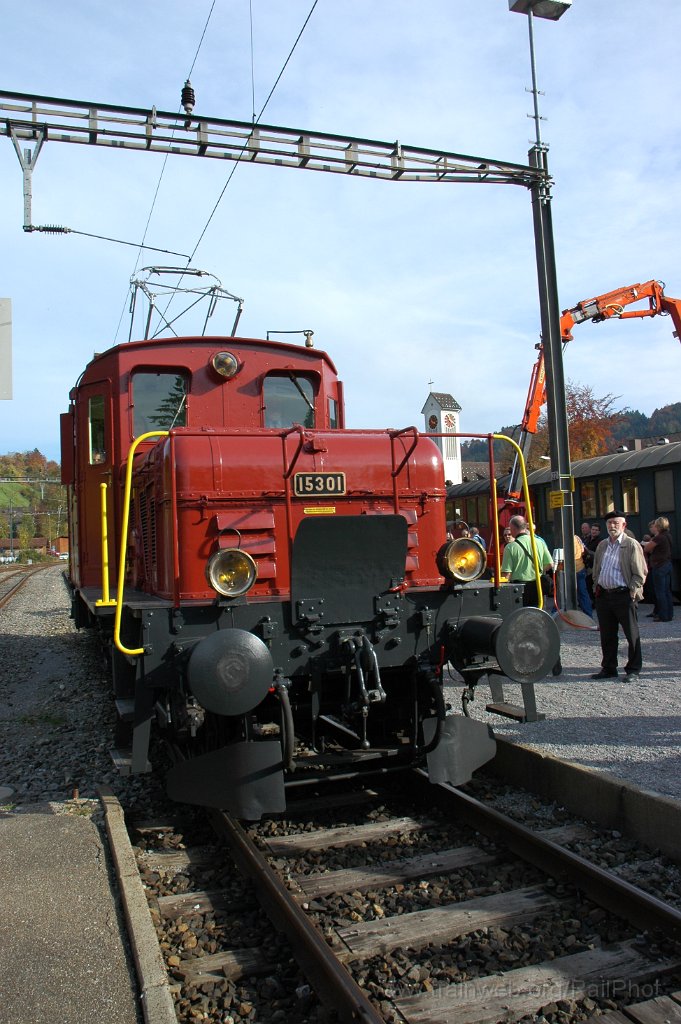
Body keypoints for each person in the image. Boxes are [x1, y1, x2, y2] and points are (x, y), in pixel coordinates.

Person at [501, 514, 561, 674]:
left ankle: (525, 663)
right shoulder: (539, 543)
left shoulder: (511, 547)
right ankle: (555, 661)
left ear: (513, 529)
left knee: (520, 627)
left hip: (519, 590)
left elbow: (506, 574)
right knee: (542, 623)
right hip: (538, 588)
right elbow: (549, 565)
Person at [591, 510, 647, 679]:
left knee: (631, 634)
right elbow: (596, 570)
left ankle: (633, 669)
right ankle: (609, 668)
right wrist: (596, 586)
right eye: (609, 523)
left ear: (624, 525)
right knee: (607, 635)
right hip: (604, 596)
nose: (612, 526)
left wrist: (633, 590)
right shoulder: (602, 545)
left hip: (623, 595)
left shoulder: (631, 544)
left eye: (616, 523)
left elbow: (640, 572)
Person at [643, 516, 674, 622]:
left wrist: (645, 543)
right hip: (667, 564)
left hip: (659, 565)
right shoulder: (668, 535)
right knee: (667, 591)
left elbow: (647, 548)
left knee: (660, 592)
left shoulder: (659, 537)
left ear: (658, 526)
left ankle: (663, 615)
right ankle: (669, 614)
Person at [573, 534, 593, 617]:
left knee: (581, 593)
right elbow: (583, 551)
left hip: (575, 569)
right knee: (582, 592)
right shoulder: (577, 537)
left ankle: (588, 614)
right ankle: (588, 614)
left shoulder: (568, 539)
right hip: (580, 567)